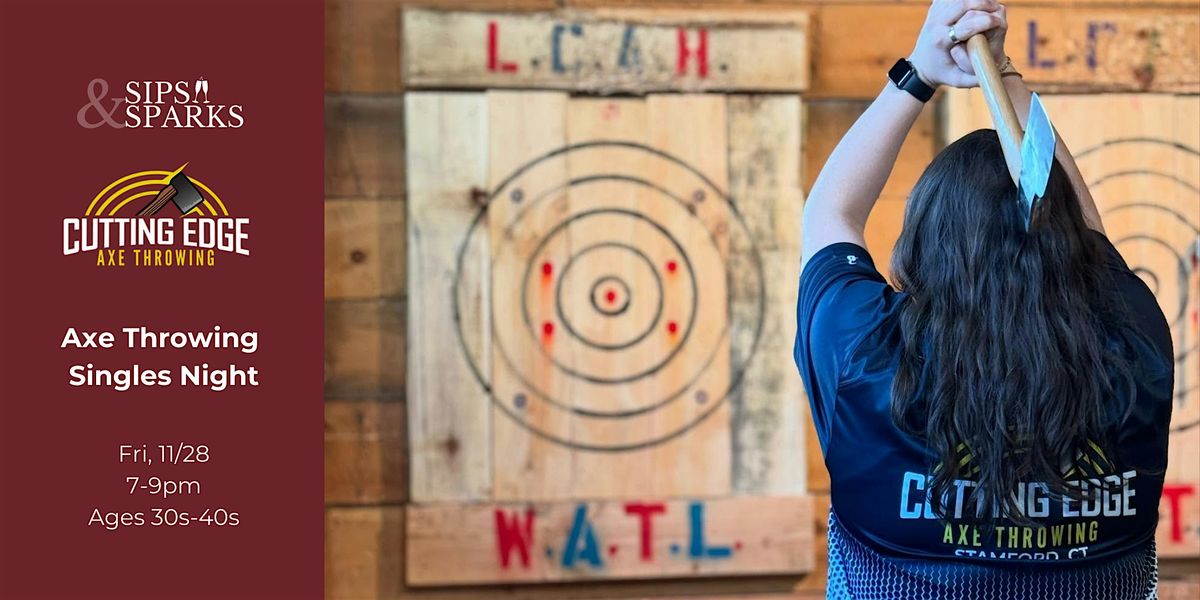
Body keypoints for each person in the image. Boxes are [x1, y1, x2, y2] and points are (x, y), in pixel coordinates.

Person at [794, 1, 1175, 597]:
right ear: (1067, 240)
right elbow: (1086, 237)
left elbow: (830, 213)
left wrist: (918, 73)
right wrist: (1003, 73)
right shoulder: (1133, 346)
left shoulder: (862, 355)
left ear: (924, 242)